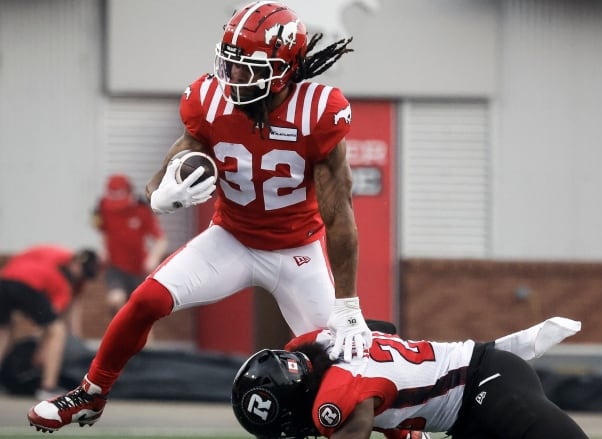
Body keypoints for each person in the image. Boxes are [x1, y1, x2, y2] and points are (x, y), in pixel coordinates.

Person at [28, 1, 372, 433]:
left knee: (344, 358)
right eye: (229, 65)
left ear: (283, 71)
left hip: (296, 251)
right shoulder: (208, 99)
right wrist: (160, 192)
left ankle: (402, 428)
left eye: (246, 69)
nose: (232, 79)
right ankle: (91, 395)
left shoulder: (316, 112)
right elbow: (181, 153)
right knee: (146, 301)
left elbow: (339, 213)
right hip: (231, 238)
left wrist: (348, 303)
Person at [230, 317, 588, 439]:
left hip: (486, 382)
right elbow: (385, 332)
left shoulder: (335, 400)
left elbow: (363, 408)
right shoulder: (318, 341)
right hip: (464, 417)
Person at [0, 245, 99, 400]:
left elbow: (23, 257)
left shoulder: (53, 252)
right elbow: (50, 323)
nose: (81, 277)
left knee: (4, 330)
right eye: (82, 272)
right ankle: (48, 387)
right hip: (28, 284)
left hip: (4, 280)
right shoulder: (62, 285)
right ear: (76, 263)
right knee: (57, 330)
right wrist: (40, 349)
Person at [92, 173, 168, 316]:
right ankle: (120, 334)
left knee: (142, 313)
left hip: (139, 269)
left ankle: (144, 337)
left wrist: (153, 258)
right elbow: (103, 232)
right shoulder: (103, 208)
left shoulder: (141, 209)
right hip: (115, 268)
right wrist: (104, 251)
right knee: (116, 300)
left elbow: (161, 240)